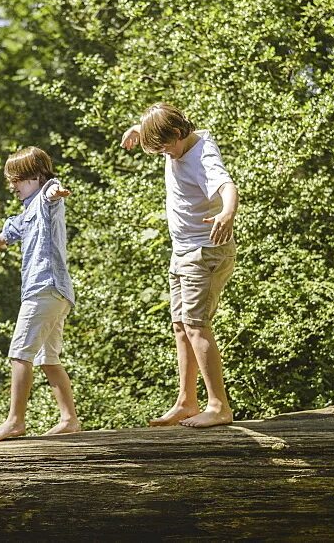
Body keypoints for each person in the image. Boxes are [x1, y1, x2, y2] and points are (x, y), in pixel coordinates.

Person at [121, 103, 238, 428]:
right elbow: (160, 133)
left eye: (163, 147)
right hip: (183, 252)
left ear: (177, 134)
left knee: (196, 324)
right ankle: (187, 401)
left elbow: (227, 185)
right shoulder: (178, 141)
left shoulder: (202, 156)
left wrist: (227, 213)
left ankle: (219, 406)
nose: (165, 155)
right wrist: (138, 130)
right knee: (180, 325)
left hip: (206, 252)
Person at [0, 146, 81, 442]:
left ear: (36, 177)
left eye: (18, 180)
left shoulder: (46, 196)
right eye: (11, 181)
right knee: (48, 359)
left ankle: (15, 421)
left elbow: (53, 189)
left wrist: (56, 191)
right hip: (58, 293)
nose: (13, 186)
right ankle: (69, 419)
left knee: (19, 355)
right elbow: (15, 225)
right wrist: (2, 238)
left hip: (44, 288)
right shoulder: (27, 210)